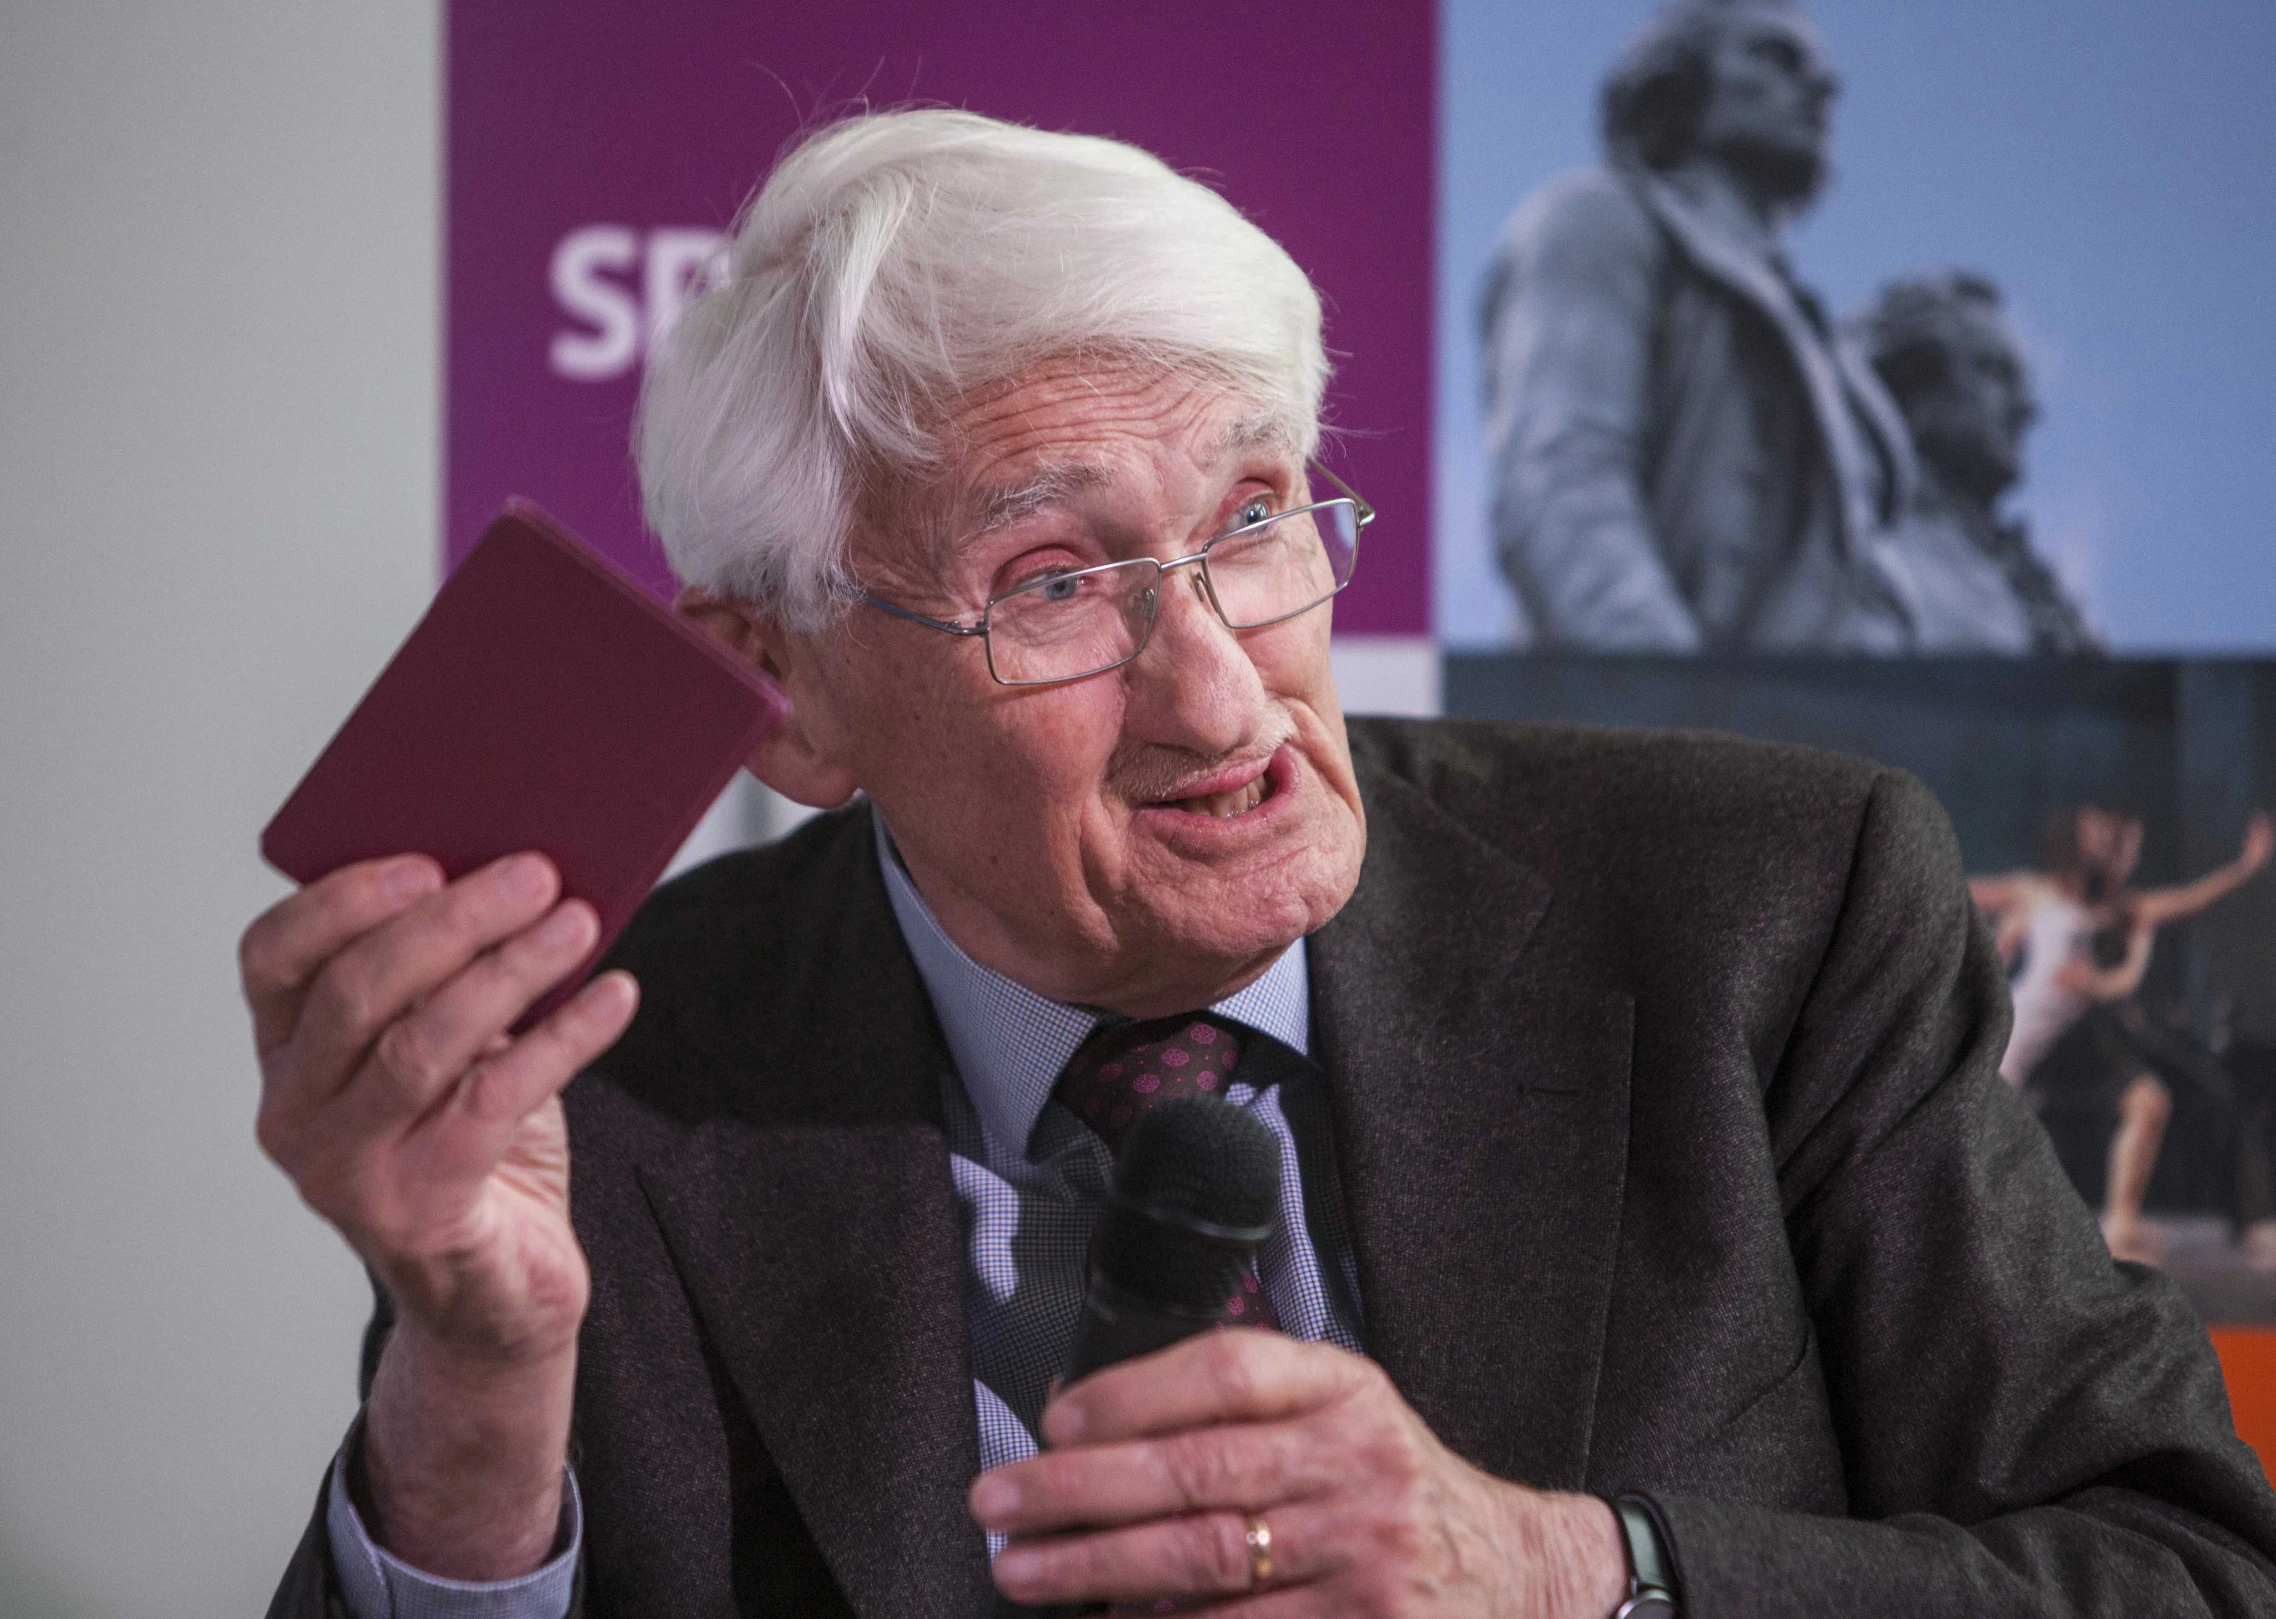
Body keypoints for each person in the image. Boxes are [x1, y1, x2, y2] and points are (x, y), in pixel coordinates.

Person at [247, 110, 2276, 1618]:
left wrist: (1575, 1566)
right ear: (783, 689)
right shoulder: (612, 1070)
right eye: (1049, 583)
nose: (1221, 700)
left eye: (1255, 516)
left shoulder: (1768, 905)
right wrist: (480, 1383)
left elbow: (2181, 1561)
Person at [1479, 0, 1919, 652]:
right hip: (1680, 724)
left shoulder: (1834, 352)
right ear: (1680, 81)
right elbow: (1563, 481)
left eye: (1821, 71)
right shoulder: (1600, 219)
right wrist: (1675, 709)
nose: (1821, 87)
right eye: (1775, 57)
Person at [1973, 807, 2273, 1262]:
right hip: (2028, 1037)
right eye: (2102, 841)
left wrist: (2245, 867)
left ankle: (2121, 1225)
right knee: (1984, 1133)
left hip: (2083, 1037)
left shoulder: (2124, 909)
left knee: (2150, 1101)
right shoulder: (2037, 893)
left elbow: (2190, 898)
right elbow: (1970, 893)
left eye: (2122, 846)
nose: (2114, 853)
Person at [1853, 272, 2099, 654]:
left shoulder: (2033, 593)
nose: (2026, 408)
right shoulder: (1852, 532)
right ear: (1912, 373)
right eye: (1996, 374)